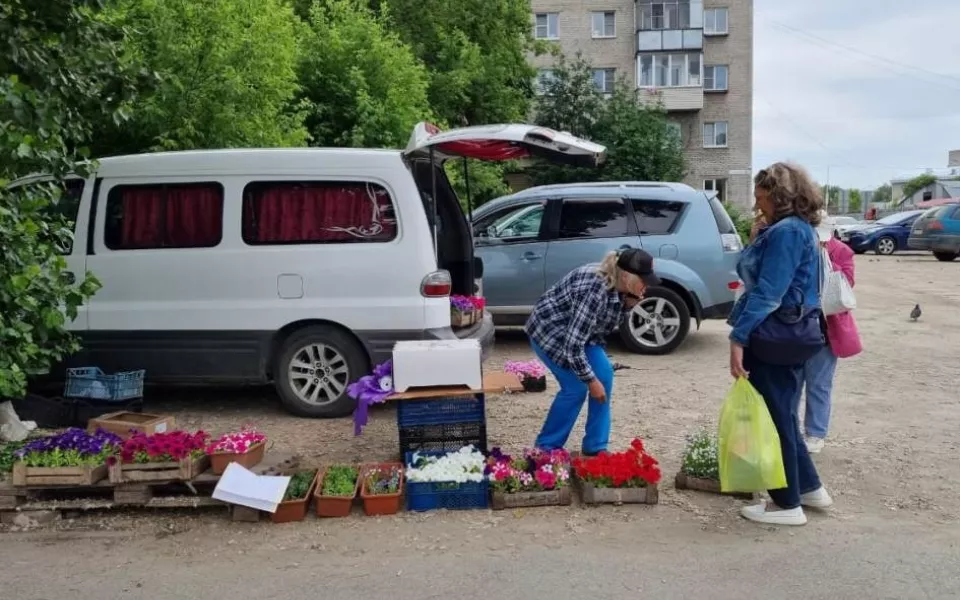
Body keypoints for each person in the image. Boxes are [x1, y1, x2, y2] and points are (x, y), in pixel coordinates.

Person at [727, 162, 833, 526]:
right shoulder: (796, 229)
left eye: (761, 197)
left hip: (773, 334)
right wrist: (759, 237)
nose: (758, 205)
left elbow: (769, 293)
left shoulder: (787, 232)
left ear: (779, 194)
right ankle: (808, 488)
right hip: (790, 333)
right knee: (784, 412)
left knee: (774, 418)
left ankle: (786, 505)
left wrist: (738, 338)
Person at [525, 248, 660, 456]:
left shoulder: (622, 287)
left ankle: (595, 446)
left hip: (583, 336)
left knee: (604, 375)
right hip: (550, 332)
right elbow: (572, 346)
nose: (647, 286)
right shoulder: (594, 289)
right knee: (576, 387)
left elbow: (604, 328)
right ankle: (546, 448)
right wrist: (590, 380)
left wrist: (627, 305)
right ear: (626, 276)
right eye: (644, 280)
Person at [801, 219, 863, 453]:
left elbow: (846, 284)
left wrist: (825, 259)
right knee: (793, 382)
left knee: (819, 384)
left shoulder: (843, 251)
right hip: (797, 327)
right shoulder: (800, 245)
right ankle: (790, 429)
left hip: (827, 329)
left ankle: (816, 433)